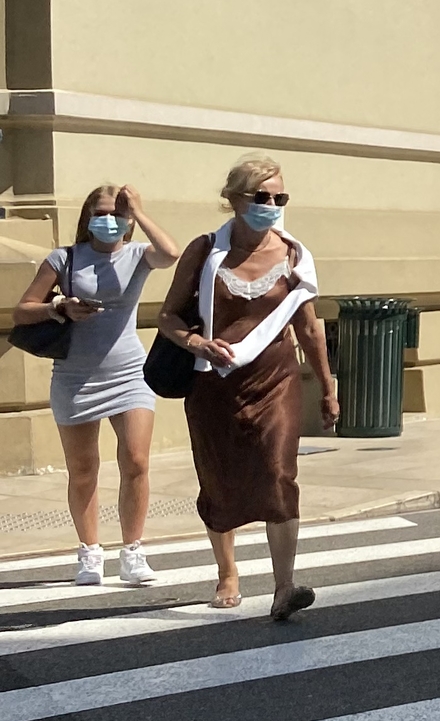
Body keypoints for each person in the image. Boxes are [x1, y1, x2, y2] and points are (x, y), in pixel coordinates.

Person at [157, 157, 338, 618]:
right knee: (219, 479)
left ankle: (284, 587)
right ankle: (227, 572)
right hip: (213, 381)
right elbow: (168, 315)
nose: (272, 206)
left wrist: (328, 386)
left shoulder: (295, 255)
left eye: (280, 198)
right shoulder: (205, 252)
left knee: (279, 472)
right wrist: (195, 341)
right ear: (235, 200)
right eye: (262, 198)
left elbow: (310, 328)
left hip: (276, 375)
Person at [13, 185, 182, 585]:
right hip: (75, 375)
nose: (109, 220)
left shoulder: (138, 255)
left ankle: (133, 552)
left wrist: (138, 211)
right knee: (84, 469)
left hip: (129, 374)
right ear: (88, 217)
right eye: (101, 212)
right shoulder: (65, 258)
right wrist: (60, 307)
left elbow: (171, 253)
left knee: (136, 461)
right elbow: (22, 311)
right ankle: (90, 553)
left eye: (117, 213)